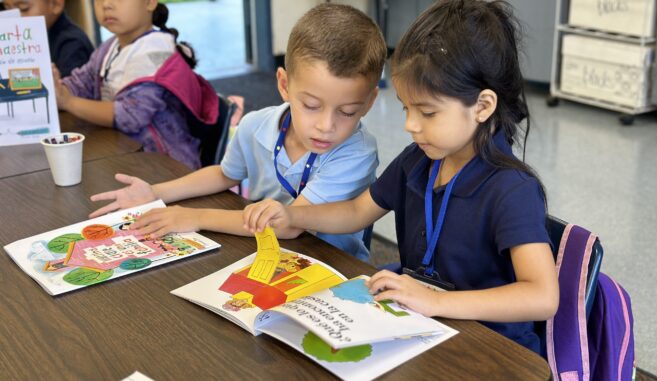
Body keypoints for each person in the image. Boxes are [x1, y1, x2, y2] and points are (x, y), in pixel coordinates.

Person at [242, 0, 559, 354]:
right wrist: (292, 215)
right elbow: (355, 213)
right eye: (408, 108)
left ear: (483, 106)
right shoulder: (421, 159)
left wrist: (436, 303)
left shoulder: (512, 190)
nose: (410, 125)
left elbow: (542, 296)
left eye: (427, 112)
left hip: (489, 347)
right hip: (420, 326)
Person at [88, 3, 387, 261]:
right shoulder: (256, 125)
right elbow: (224, 174)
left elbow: (289, 225)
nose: (326, 125)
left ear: (369, 101)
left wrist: (194, 217)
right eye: (310, 105)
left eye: (346, 112)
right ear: (284, 85)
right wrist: (156, 193)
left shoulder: (356, 152)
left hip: (331, 267)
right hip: (259, 249)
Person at [53, 0, 218, 169]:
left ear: (150, 2)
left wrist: (68, 101)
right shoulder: (110, 47)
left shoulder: (155, 52)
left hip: (166, 168)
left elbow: (129, 116)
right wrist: (57, 87)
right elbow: (81, 83)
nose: (106, 5)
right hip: (124, 153)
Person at [4, 0, 94, 76]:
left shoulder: (72, 45)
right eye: (7, 9)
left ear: (56, 4)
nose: (13, 19)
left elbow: (70, 95)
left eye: (23, 8)